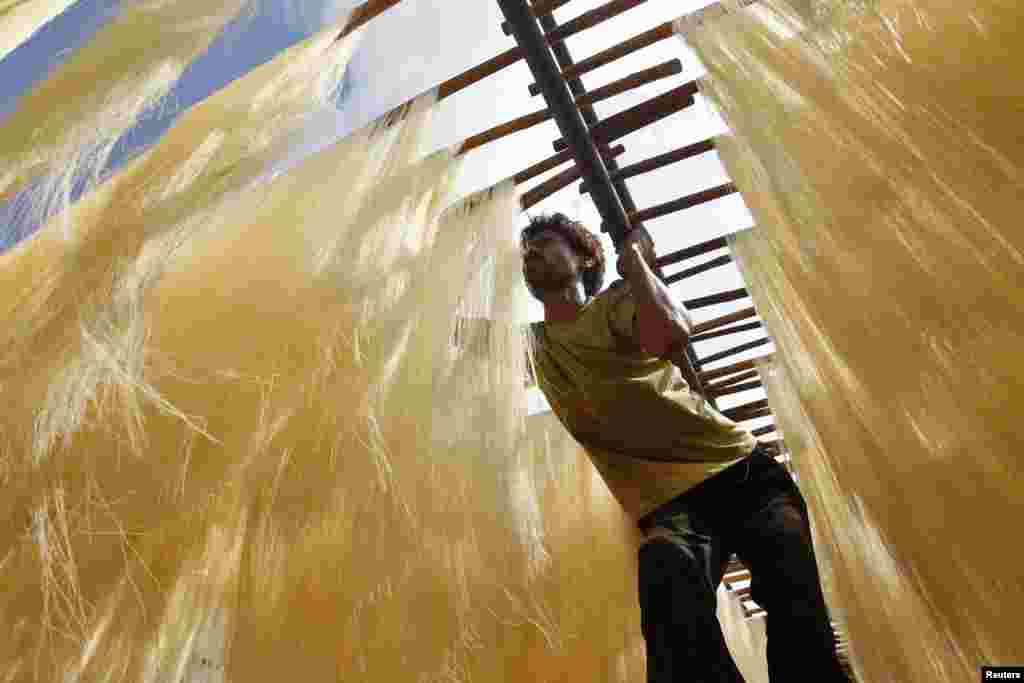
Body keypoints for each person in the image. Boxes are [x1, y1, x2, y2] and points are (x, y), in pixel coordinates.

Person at [521, 213, 849, 683]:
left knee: (796, 608)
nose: (531, 249)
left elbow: (669, 333)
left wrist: (635, 261)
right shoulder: (534, 347)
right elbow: (457, 334)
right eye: (526, 245)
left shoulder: (614, 304)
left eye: (545, 240)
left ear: (585, 256)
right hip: (672, 508)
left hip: (743, 474)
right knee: (666, 582)